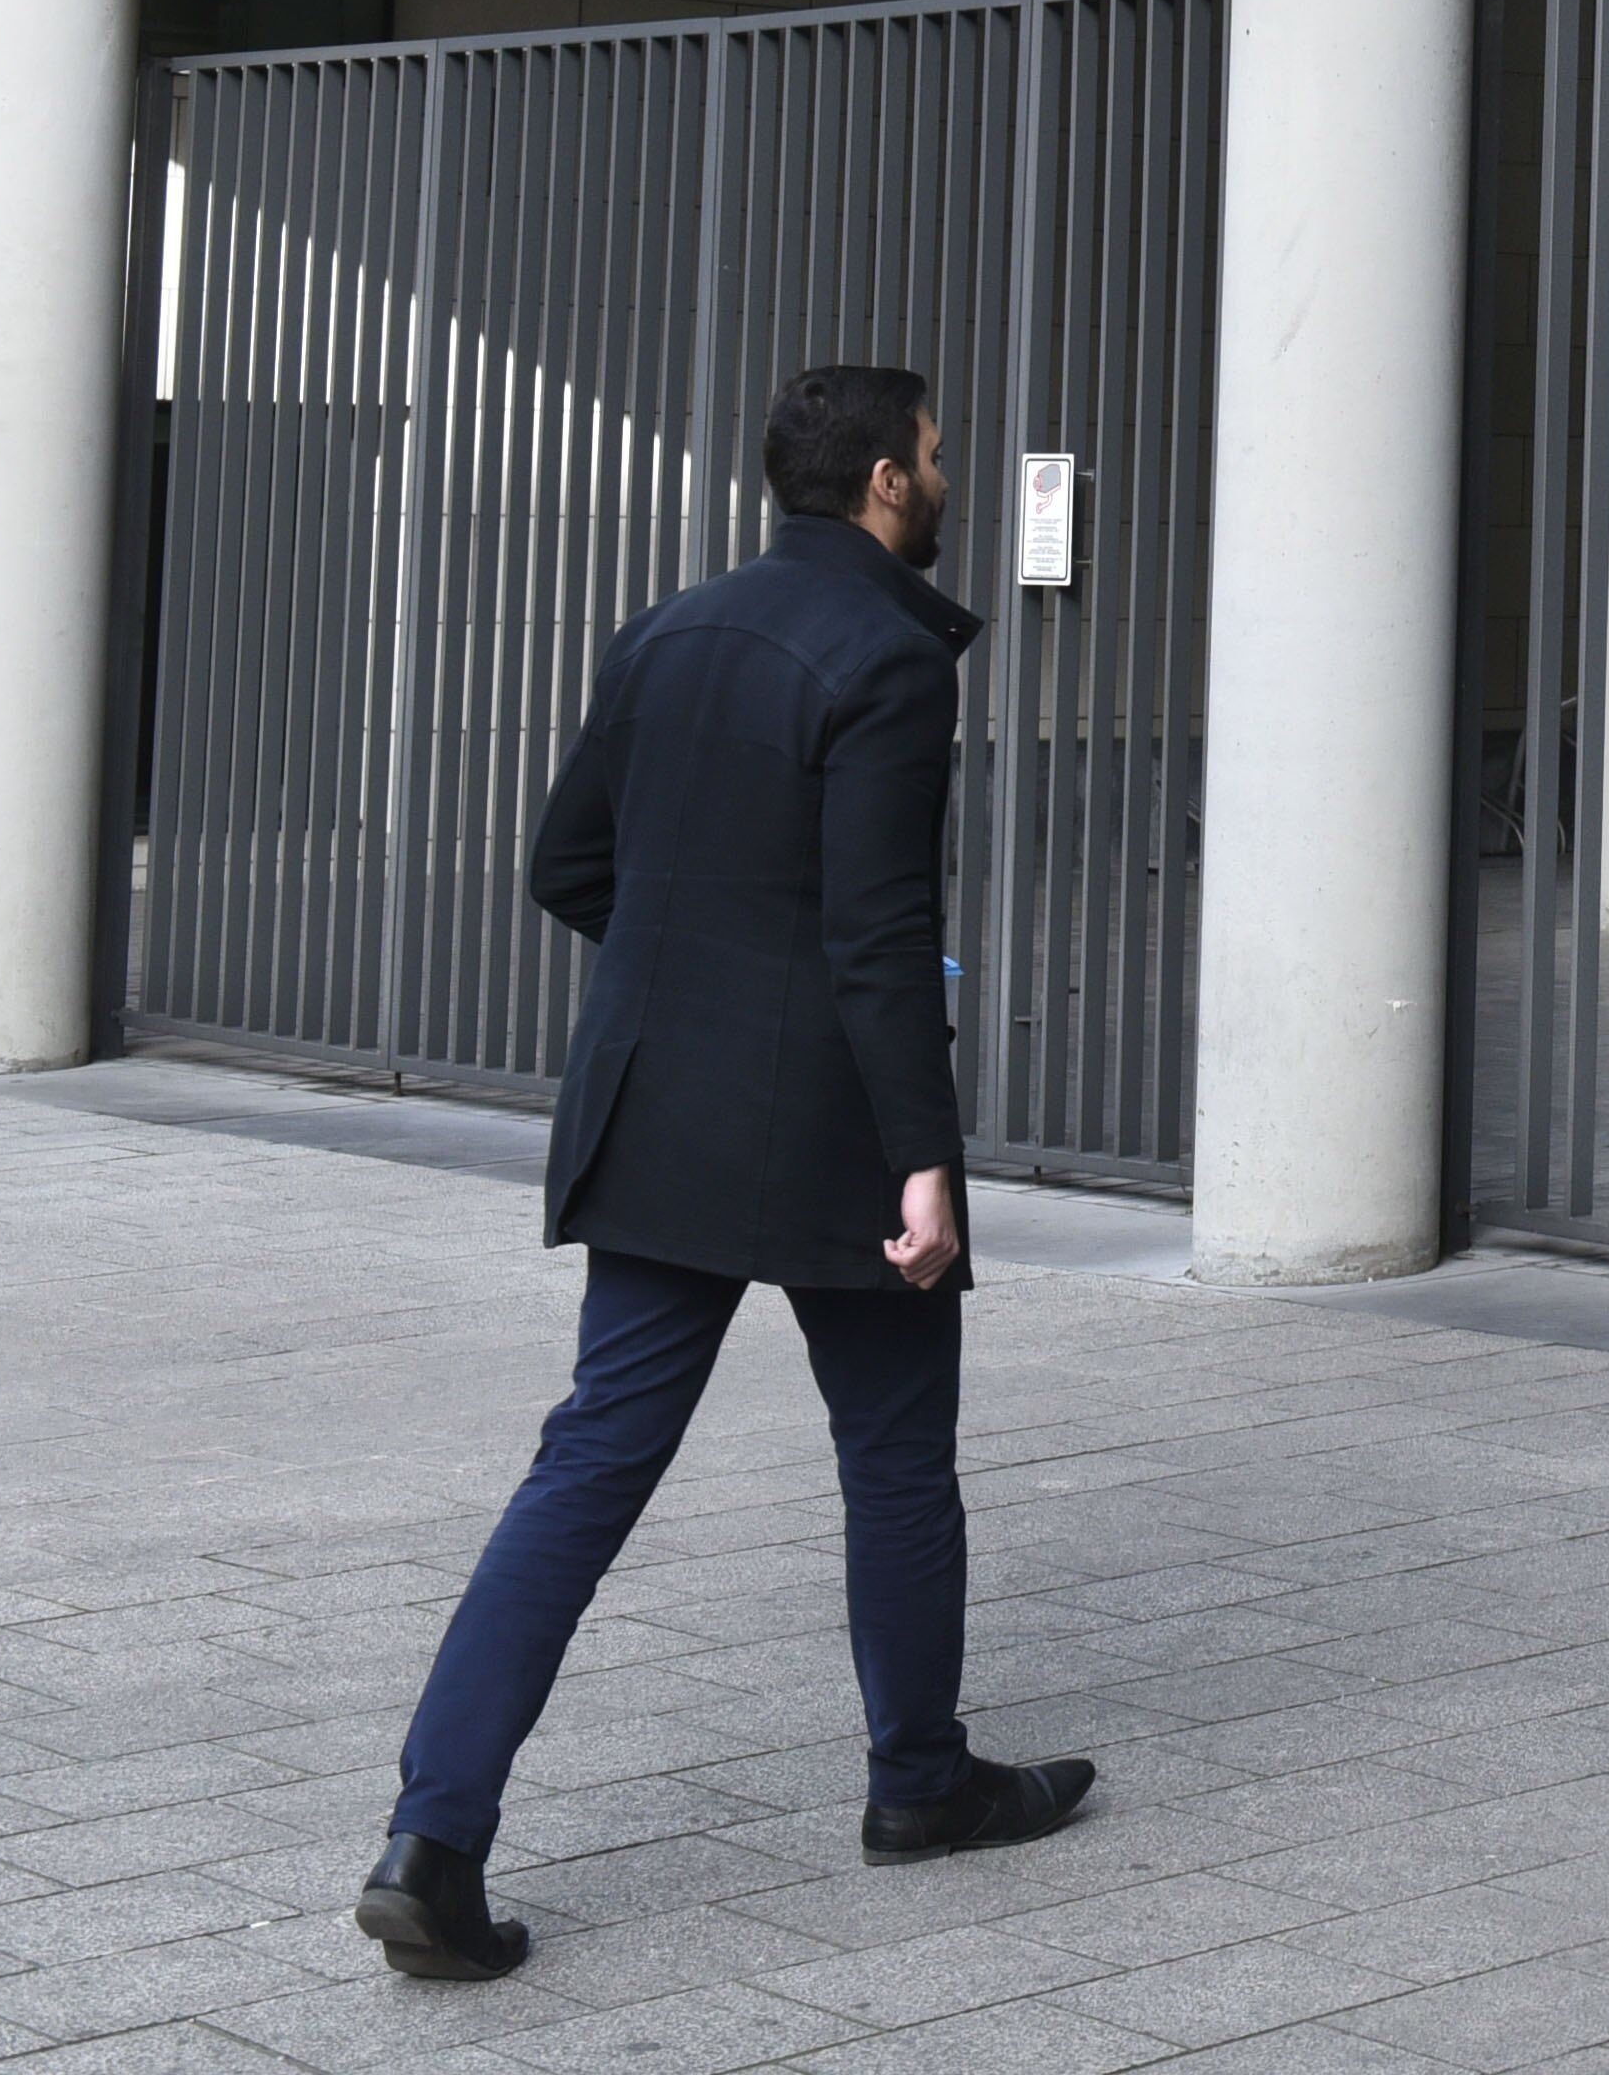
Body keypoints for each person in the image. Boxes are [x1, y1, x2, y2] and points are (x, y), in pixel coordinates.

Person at [353, 366, 1093, 1981]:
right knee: (894, 1454)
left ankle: (432, 1837)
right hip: (827, 1122)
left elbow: (568, 864)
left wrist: (697, 977)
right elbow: (879, 931)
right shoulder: (890, 655)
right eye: (936, 455)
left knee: (587, 1464)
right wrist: (924, 1160)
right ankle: (919, 1783)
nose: (944, 477)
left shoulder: (666, 630)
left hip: (654, 1109)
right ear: (887, 480)